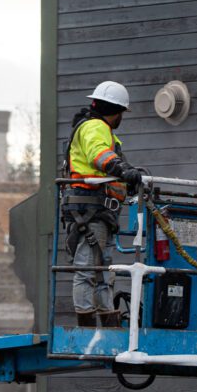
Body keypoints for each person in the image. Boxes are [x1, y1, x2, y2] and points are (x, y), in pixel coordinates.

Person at [62, 81, 143, 328]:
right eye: (121, 113)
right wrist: (121, 169)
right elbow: (100, 156)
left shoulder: (98, 129)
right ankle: (87, 328)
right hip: (90, 211)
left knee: (103, 271)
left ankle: (108, 322)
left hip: (99, 212)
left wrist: (126, 178)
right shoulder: (95, 127)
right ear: (116, 110)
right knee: (87, 269)